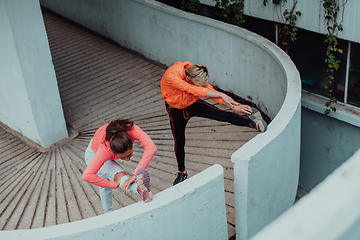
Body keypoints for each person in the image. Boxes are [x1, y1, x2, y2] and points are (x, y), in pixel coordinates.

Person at [161, 61, 267, 185]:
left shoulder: (193, 74)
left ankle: (252, 123)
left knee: (220, 114)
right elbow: (193, 90)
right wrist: (221, 93)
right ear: (187, 77)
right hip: (175, 111)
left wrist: (235, 106)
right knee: (179, 142)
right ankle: (181, 172)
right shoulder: (172, 75)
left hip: (192, 104)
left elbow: (210, 91)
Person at [82, 119, 157, 213]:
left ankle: (108, 215)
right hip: (93, 154)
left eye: (129, 155)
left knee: (104, 187)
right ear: (113, 152)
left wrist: (135, 175)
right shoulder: (104, 151)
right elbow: (87, 175)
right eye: (122, 157)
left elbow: (151, 147)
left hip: (102, 141)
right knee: (119, 176)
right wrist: (113, 184)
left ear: (131, 143)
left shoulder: (131, 129)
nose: (126, 160)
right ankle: (139, 189)